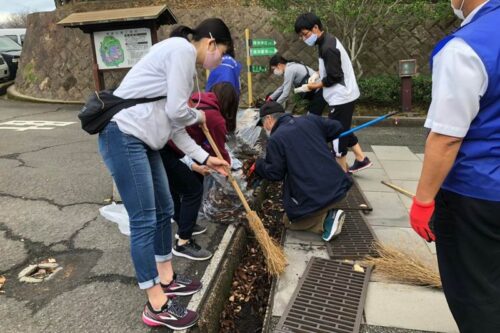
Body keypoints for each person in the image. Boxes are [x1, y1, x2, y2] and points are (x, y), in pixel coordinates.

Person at [98, 18, 232, 330]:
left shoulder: (183, 60)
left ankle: (166, 277)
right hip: (123, 134)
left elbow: (175, 126)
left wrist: (206, 157)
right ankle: (156, 303)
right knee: (145, 218)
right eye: (221, 54)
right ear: (210, 43)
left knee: (165, 210)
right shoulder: (182, 51)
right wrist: (200, 114)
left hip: (147, 140)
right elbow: (179, 112)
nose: (218, 62)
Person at [411, 1, 500, 331]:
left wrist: (423, 201)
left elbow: (446, 138)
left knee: (477, 298)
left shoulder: (466, 46)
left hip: (477, 196)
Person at [160, 82, 239, 261]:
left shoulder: (197, 99)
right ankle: (183, 243)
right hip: (169, 150)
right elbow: (218, 150)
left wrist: (199, 164)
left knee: (180, 185)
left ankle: (183, 224)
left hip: (164, 144)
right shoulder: (216, 118)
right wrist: (227, 166)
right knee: (193, 190)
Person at [253, 102, 352, 241]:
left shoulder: (276, 139)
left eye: (263, 124)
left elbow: (275, 174)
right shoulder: (309, 120)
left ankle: (325, 220)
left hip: (320, 197)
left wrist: (258, 165)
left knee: (289, 221)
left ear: (269, 119)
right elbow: (337, 127)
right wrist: (316, 138)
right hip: (341, 186)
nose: (264, 128)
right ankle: (328, 210)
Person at [294, 13, 372, 173]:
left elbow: (334, 76)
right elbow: (331, 67)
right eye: (301, 36)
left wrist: (313, 86)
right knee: (342, 128)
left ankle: (341, 176)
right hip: (344, 95)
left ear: (315, 28)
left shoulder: (327, 47)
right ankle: (361, 159)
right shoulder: (327, 40)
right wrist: (317, 73)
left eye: (305, 34)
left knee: (337, 136)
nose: (303, 39)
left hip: (341, 97)